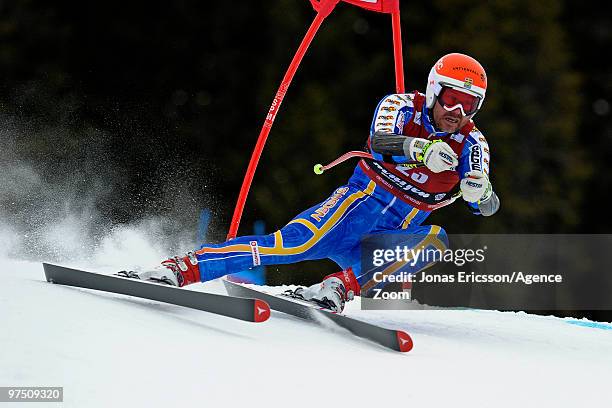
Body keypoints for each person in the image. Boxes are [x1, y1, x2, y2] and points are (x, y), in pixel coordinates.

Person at [136, 52, 500, 312]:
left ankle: (339, 287)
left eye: (469, 105)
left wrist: (481, 192)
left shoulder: (473, 142)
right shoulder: (401, 106)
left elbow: (486, 205)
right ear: (435, 91)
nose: (457, 113)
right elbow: (379, 142)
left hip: (387, 237)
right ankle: (182, 267)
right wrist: (419, 149)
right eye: (452, 100)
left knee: (435, 241)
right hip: (354, 209)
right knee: (288, 247)